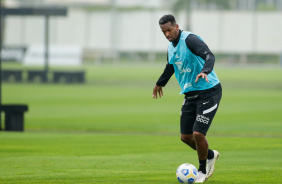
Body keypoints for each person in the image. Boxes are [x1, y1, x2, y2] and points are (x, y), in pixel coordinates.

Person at [152, 14, 222, 183]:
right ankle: (211, 155)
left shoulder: (190, 39)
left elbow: (209, 56)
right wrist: (159, 83)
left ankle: (202, 171)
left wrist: (205, 71)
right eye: (164, 32)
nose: (167, 34)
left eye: (169, 30)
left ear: (176, 27)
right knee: (185, 137)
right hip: (190, 95)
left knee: (198, 133)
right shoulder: (170, 47)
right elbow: (170, 67)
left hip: (209, 91)